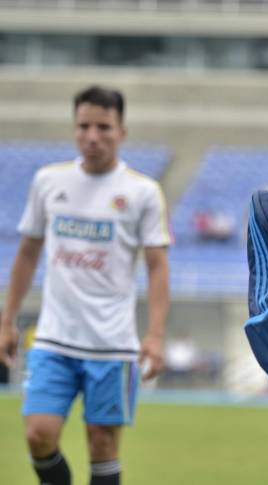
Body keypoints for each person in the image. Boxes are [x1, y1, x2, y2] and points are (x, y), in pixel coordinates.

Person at [0, 86, 172, 485]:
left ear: (121, 132)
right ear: (74, 129)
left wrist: (155, 335)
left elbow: (157, 267)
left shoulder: (143, 192)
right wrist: (7, 320)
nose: (93, 136)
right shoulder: (48, 181)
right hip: (53, 339)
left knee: (102, 446)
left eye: (103, 127)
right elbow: (27, 253)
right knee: (38, 435)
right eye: (84, 126)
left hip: (112, 345)